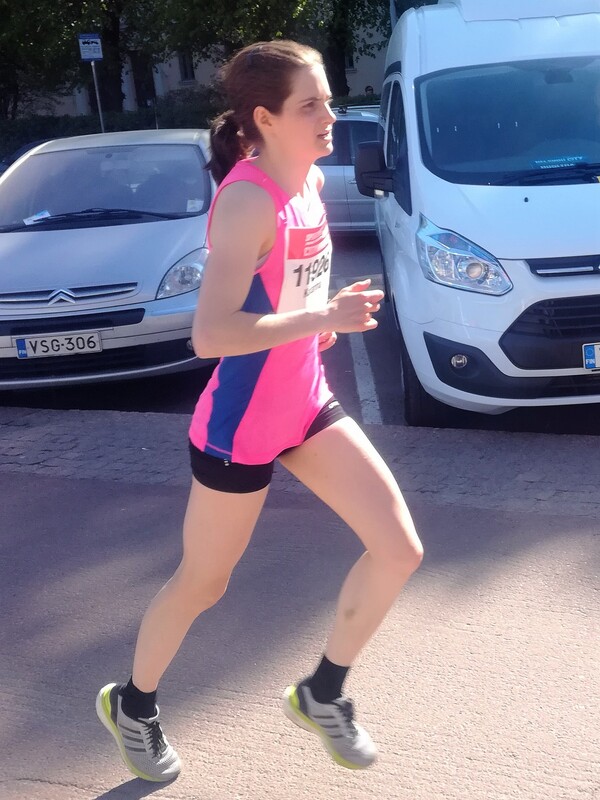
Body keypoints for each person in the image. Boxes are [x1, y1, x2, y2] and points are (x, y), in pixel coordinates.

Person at [96, 39, 423, 782]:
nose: (330, 116)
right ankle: (133, 704)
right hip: (239, 427)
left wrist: (322, 319)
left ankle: (322, 692)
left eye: (328, 100)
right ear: (265, 119)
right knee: (203, 584)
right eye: (311, 105)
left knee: (399, 549)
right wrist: (324, 319)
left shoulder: (309, 181)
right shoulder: (248, 201)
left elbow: (287, 297)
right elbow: (211, 335)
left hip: (304, 403)